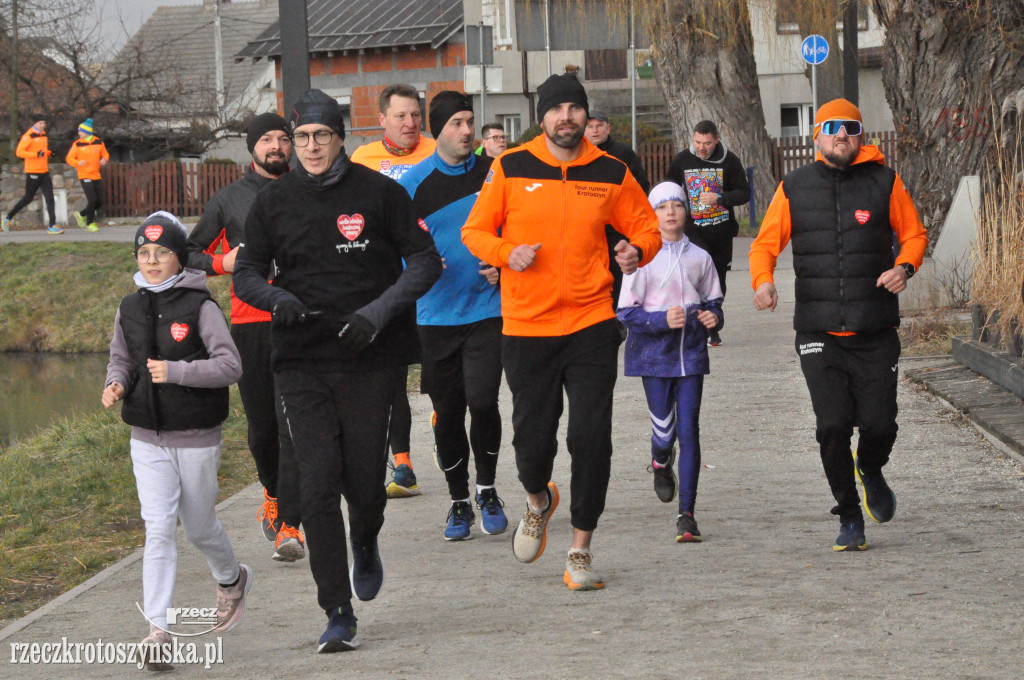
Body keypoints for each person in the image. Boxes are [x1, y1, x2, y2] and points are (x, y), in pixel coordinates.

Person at [233, 89, 442, 652]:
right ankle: (337, 610)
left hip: (369, 354)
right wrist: (277, 299)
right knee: (319, 480)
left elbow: (425, 261)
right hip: (301, 358)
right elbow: (245, 272)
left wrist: (376, 314)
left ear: (340, 137)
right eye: (301, 138)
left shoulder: (380, 192)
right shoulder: (273, 203)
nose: (310, 147)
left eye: (321, 136)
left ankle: (366, 539)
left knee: (364, 484)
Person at [463, 73, 661, 591]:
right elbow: (475, 231)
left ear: (585, 116)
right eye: (557, 109)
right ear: (542, 117)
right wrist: (509, 254)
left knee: (591, 437)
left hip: (591, 322)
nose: (567, 118)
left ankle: (580, 549)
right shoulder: (510, 166)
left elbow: (646, 227)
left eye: (575, 108)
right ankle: (537, 499)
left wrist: (637, 252)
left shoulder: (611, 170)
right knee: (532, 439)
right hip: (527, 325)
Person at [749, 98, 928, 552]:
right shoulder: (794, 187)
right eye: (832, 128)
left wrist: (904, 268)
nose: (841, 134)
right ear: (817, 137)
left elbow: (914, 235)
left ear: (861, 135)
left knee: (880, 424)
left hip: (874, 329)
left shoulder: (885, 182)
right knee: (831, 426)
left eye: (850, 127)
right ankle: (849, 514)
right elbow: (764, 245)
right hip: (818, 331)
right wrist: (763, 282)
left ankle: (870, 466)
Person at [101, 211, 251, 670]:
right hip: (146, 436)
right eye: (143, 254)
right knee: (159, 529)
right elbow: (121, 358)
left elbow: (231, 366)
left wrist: (179, 372)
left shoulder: (201, 306)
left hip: (196, 436)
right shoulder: (129, 306)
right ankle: (158, 631)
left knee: (199, 525)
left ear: (178, 257)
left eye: (160, 253)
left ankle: (231, 579)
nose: (150, 262)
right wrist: (117, 384)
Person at [187, 112, 304, 563]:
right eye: (267, 140)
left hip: (299, 320)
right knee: (262, 428)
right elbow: (189, 253)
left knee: (292, 420)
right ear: (252, 147)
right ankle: (273, 494)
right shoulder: (228, 199)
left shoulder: (305, 188)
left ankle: (291, 522)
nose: (276, 146)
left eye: (282, 138)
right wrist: (222, 264)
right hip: (251, 325)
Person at [398, 91, 507, 541]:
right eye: (457, 124)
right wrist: (418, 267)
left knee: (483, 401)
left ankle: (488, 489)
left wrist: (503, 262)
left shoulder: (496, 173)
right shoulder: (412, 184)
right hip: (436, 316)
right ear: (435, 130)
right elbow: (396, 248)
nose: (466, 132)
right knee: (448, 410)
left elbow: (519, 229)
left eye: (469, 122)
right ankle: (458, 500)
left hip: (488, 309)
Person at [616, 182, 723, 543]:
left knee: (688, 429)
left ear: (687, 211)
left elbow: (713, 302)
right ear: (652, 214)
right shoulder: (639, 257)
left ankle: (687, 515)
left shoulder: (701, 257)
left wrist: (713, 318)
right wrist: (661, 321)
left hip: (691, 353)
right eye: (662, 207)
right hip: (653, 357)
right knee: (664, 431)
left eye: (677, 204)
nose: (671, 212)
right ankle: (661, 462)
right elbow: (626, 313)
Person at [351, 83, 438, 498]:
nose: (410, 123)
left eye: (415, 115)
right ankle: (402, 464)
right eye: (401, 116)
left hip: (436, 278)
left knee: (439, 372)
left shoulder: (440, 150)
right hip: (387, 284)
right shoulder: (362, 159)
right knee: (394, 374)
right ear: (382, 119)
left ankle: (447, 424)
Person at [666, 120, 750, 346]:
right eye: (697, 142)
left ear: (716, 141)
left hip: (721, 231)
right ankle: (697, 326)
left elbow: (744, 193)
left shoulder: (729, 161)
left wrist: (720, 198)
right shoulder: (683, 160)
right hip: (693, 231)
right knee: (695, 277)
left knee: (717, 279)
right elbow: (669, 187)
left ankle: (713, 324)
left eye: (707, 143)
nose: (702, 147)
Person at [585, 109, 652, 305]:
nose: (595, 130)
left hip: (618, 227)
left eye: (599, 126)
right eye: (590, 126)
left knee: (618, 274)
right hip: (589, 227)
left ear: (608, 128)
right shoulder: (578, 154)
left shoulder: (623, 153)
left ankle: (619, 315)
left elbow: (641, 185)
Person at [3, 119, 62, 234]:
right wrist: (35, 154)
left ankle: (52, 226)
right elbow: (19, 152)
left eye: (44, 123)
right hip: (33, 172)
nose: (42, 125)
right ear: (34, 124)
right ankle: (7, 218)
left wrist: (49, 153)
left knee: (50, 198)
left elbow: (42, 151)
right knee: (28, 198)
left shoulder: (43, 135)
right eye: (40, 123)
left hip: (44, 171)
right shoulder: (28, 136)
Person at [65, 118, 109, 232]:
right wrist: (77, 162)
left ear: (87, 132)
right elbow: (69, 158)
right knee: (92, 199)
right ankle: (90, 223)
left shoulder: (98, 142)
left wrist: (104, 159)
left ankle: (81, 214)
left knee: (100, 202)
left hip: (96, 175)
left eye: (80, 131)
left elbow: (105, 153)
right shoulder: (77, 144)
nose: (78, 133)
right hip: (84, 176)